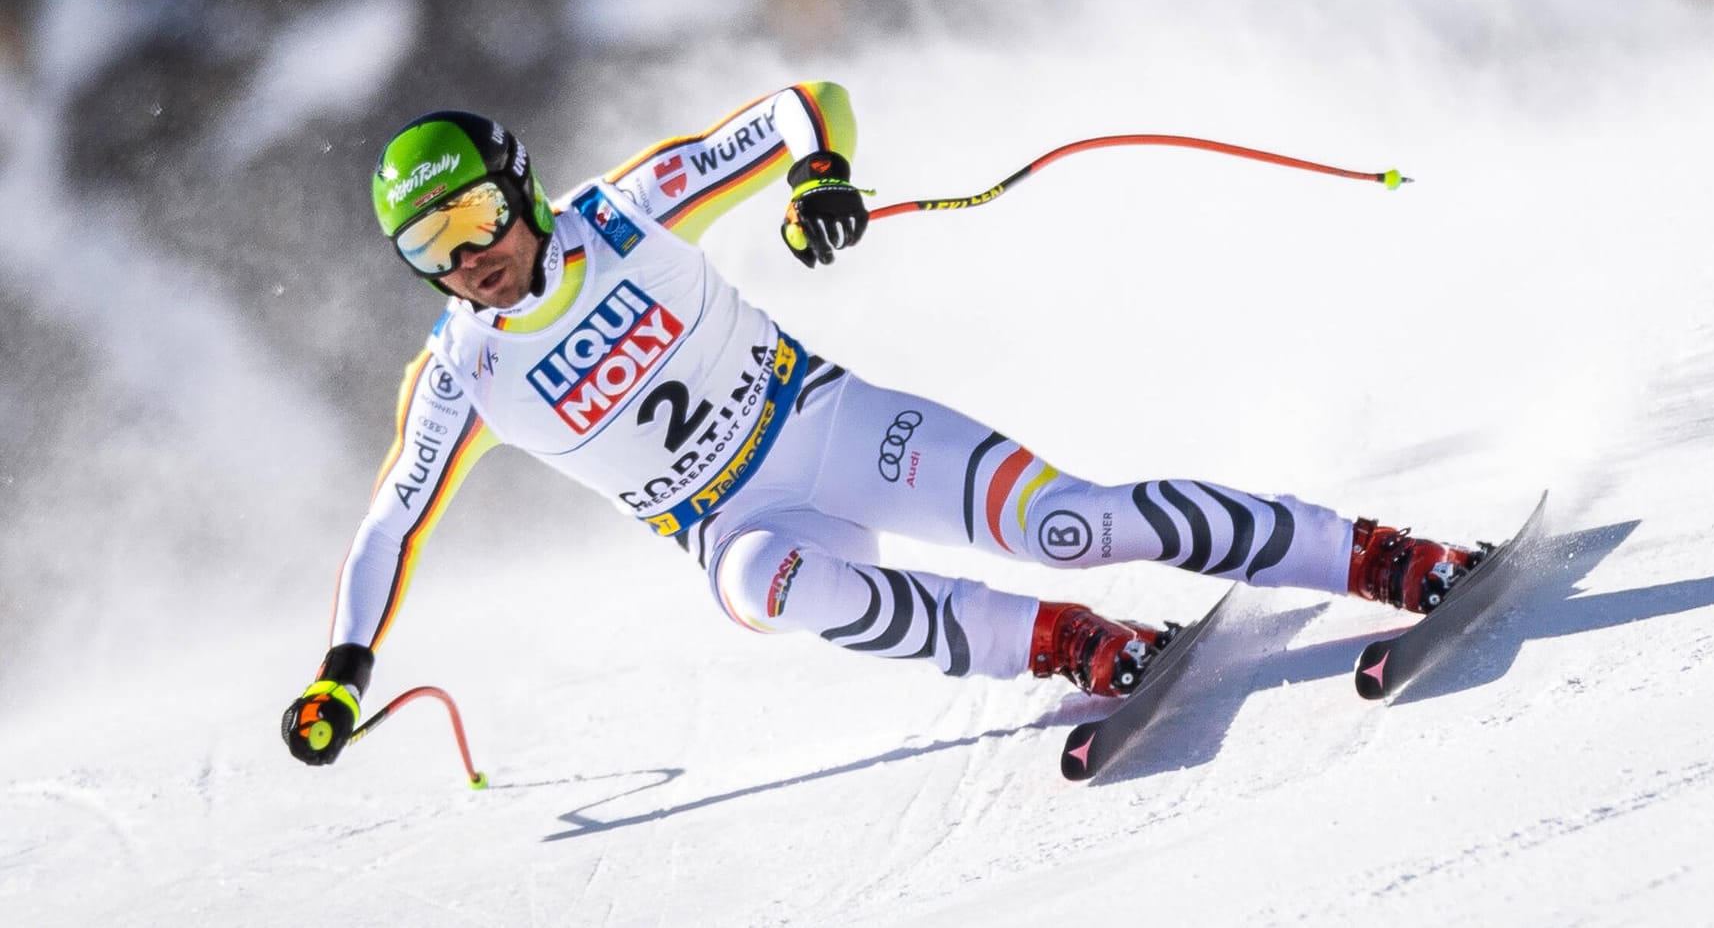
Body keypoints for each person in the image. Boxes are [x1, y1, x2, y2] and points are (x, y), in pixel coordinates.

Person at [281, 83, 1480, 765]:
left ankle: (1383, 557)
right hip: (734, 519)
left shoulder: (627, 212)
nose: (471, 260)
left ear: (520, 184)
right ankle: (1069, 645)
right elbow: (393, 525)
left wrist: (819, 181)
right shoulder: (460, 375)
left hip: (830, 423)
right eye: (431, 251)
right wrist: (345, 673)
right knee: (763, 583)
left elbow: (807, 106)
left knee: (1073, 523)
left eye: (478, 218)